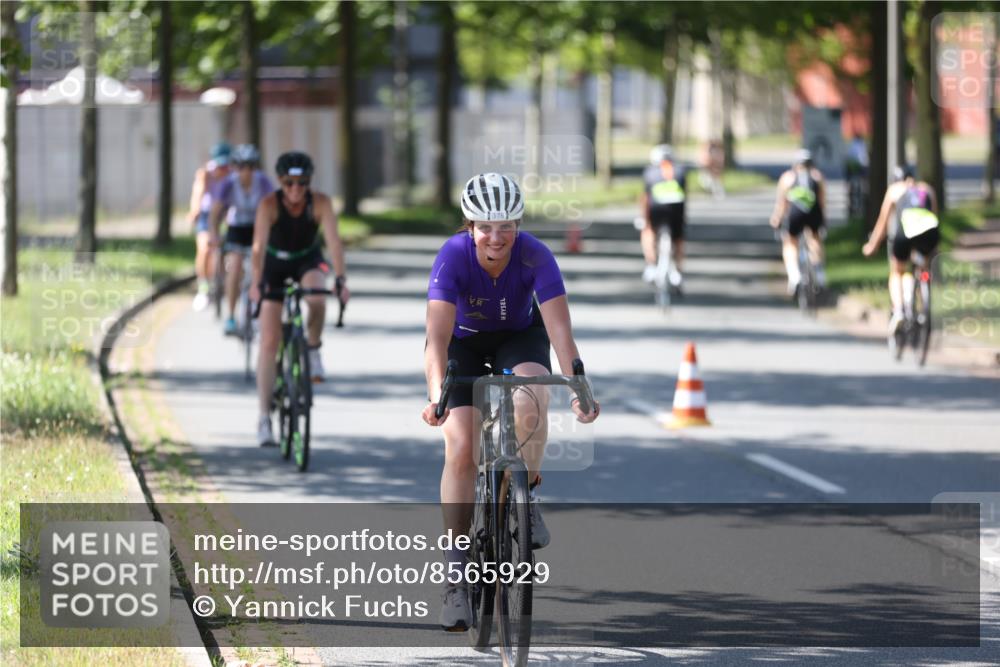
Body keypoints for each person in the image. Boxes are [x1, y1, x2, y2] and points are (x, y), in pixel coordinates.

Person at [422, 172, 600, 632]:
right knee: (462, 446)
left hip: (519, 338)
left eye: (506, 226)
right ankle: (456, 571)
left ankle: (527, 492)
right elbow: (436, 339)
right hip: (462, 344)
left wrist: (579, 387)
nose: (496, 237)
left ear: (518, 225)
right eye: (485, 227)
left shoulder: (536, 254)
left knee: (533, 397)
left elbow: (560, 332)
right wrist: (437, 395)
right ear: (470, 226)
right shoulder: (452, 255)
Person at [249, 152, 350, 447]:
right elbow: (258, 247)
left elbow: (334, 242)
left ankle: (313, 348)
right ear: (280, 182)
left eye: (302, 183)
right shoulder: (268, 205)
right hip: (275, 264)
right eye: (289, 183)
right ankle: (264, 418)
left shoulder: (320, 203)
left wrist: (340, 279)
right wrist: (256, 283)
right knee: (269, 341)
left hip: (307, 260)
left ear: (309, 182)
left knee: (317, 299)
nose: (295, 189)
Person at [863, 166, 940, 333]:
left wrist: (872, 246)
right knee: (923, 267)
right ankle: (924, 304)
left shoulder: (894, 190)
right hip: (930, 233)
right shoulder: (927, 189)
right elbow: (934, 215)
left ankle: (899, 310)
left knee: (897, 271)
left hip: (905, 233)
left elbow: (882, 223)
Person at [210, 144, 274, 336]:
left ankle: (259, 310)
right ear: (235, 167)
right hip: (236, 228)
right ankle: (231, 316)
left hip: (257, 227)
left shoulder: (263, 182)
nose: (246, 171)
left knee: (260, 269)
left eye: (250, 166)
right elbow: (215, 213)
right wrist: (214, 234)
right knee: (234, 268)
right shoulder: (229, 183)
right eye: (241, 166)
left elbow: (274, 207)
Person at [769, 148, 827, 294]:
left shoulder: (788, 177)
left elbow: (781, 204)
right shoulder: (817, 176)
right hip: (814, 212)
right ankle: (820, 275)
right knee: (815, 239)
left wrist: (776, 219)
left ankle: (794, 276)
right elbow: (822, 202)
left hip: (795, 214)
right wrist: (823, 220)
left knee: (790, 242)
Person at [187, 142, 231, 311]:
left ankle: (224, 279)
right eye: (220, 164)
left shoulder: (233, 174)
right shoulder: (206, 174)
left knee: (229, 250)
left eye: (226, 164)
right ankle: (203, 287)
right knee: (205, 249)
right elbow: (198, 193)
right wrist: (194, 211)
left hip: (225, 213)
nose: (223, 168)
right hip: (206, 215)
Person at [639, 144, 688, 290]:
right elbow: (685, 196)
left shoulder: (650, 172)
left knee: (648, 231)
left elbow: (645, 198)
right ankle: (678, 271)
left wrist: (644, 219)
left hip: (657, 209)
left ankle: (651, 265)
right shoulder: (680, 170)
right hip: (676, 209)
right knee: (678, 239)